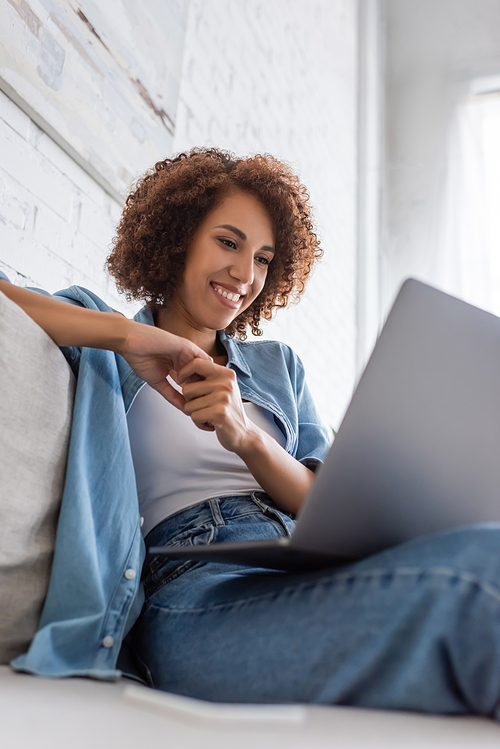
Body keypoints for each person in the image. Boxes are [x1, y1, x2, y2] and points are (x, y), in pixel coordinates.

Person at [2, 148, 500, 717]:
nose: (246, 275)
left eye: (264, 258)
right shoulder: (107, 347)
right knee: (477, 581)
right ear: (176, 238)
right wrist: (130, 338)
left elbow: (321, 502)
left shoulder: (278, 366)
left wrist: (247, 437)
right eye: (229, 243)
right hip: (193, 586)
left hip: (298, 566)